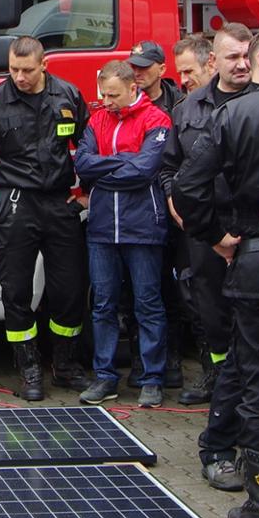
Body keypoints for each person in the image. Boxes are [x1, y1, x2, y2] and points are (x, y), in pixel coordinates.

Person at [177, 28, 259, 518]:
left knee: (257, 378)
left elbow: (188, 187)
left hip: (253, 256)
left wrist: (217, 236)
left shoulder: (237, 113)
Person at [0, 36, 93, 401]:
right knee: (16, 291)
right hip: (16, 204)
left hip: (60, 204)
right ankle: (29, 369)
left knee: (69, 289)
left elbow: (91, 146)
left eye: (27, 70)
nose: (20, 77)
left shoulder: (67, 96)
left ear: (44, 65)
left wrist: (86, 193)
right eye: (14, 69)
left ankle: (65, 365)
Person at [161, 23, 255, 482]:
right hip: (203, 234)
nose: (242, 64)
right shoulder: (187, 109)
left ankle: (251, 421)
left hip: (250, 233)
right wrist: (173, 199)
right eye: (232, 57)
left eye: (247, 55)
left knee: (253, 329)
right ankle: (223, 397)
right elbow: (171, 167)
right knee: (214, 321)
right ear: (213, 61)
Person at [74, 61, 174, 407]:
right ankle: (105, 376)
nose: (106, 101)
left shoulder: (156, 119)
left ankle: (152, 378)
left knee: (147, 303)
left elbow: (146, 169)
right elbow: (82, 164)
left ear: (134, 89)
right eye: (103, 94)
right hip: (102, 227)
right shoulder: (97, 119)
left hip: (143, 226)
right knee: (103, 304)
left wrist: (104, 170)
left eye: (113, 95)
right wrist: (124, 162)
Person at [127, 40, 185, 113]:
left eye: (143, 67)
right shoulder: (123, 101)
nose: (136, 73)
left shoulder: (179, 103)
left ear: (161, 69)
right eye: (133, 67)